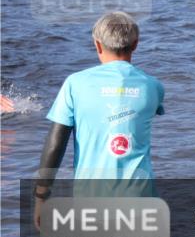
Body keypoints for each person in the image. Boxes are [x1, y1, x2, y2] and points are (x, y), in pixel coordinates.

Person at [33, 11, 165, 211]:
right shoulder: (153, 86)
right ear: (136, 44)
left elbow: (55, 144)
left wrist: (41, 196)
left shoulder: (75, 84)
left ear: (97, 44)